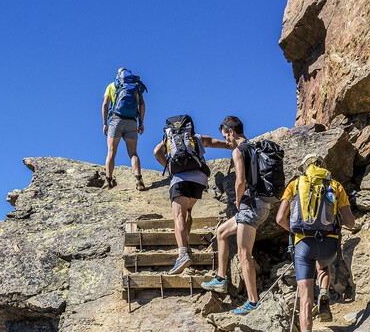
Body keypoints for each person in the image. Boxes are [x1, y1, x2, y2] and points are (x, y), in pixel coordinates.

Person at [274, 154, 357, 332]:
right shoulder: (335, 186)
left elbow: (279, 219)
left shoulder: (295, 184)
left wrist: (295, 233)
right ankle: (325, 292)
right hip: (328, 245)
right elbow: (350, 223)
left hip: (303, 246)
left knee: (305, 299)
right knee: (324, 266)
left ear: (305, 167)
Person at [200, 116, 280, 314]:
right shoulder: (254, 148)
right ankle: (220, 278)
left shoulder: (238, 151)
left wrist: (237, 199)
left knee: (244, 254)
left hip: (250, 206)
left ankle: (253, 301)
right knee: (221, 232)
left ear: (232, 132)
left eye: (226, 136)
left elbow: (240, 180)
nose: (226, 141)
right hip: (261, 206)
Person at [154, 115, 210, 275]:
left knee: (178, 215)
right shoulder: (197, 138)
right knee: (188, 211)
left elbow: (157, 152)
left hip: (180, 180)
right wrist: (234, 145)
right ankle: (187, 243)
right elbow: (216, 142)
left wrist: (169, 168)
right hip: (200, 180)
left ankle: (183, 253)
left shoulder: (168, 141)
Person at [101, 68, 147, 190]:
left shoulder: (112, 85)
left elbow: (105, 104)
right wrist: (141, 123)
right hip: (132, 121)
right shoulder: (136, 86)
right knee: (133, 153)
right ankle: (139, 180)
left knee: (111, 151)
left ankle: (108, 181)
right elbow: (142, 104)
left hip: (116, 120)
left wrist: (105, 123)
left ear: (118, 75)